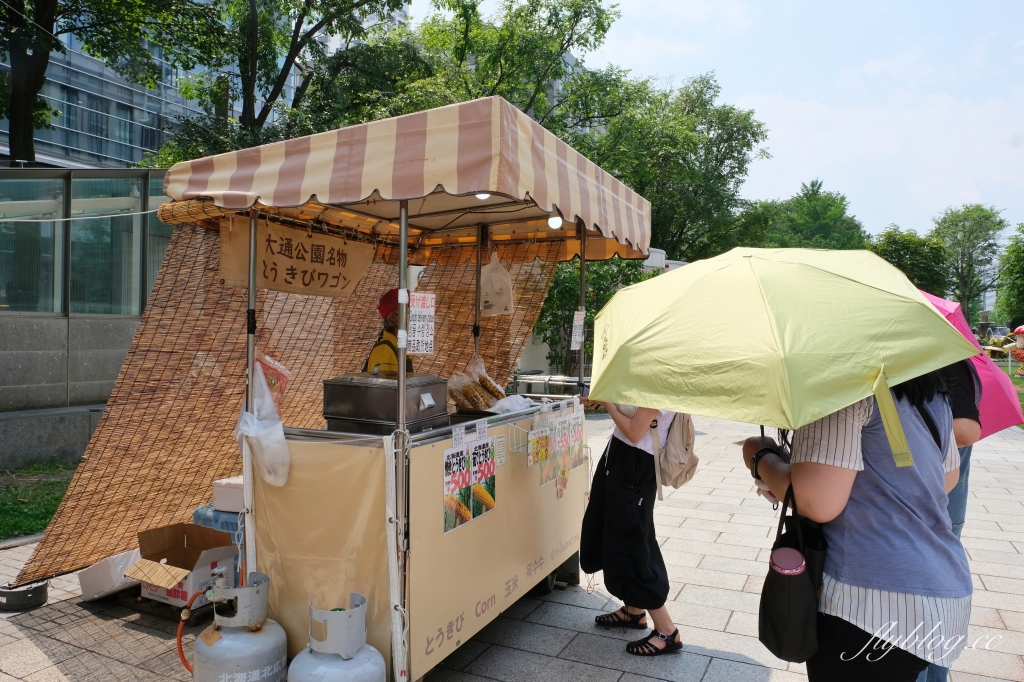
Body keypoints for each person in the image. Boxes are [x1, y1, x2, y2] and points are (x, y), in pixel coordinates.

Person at [743, 370, 971, 682]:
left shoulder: (840, 384)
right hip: (942, 590)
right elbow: (946, 480)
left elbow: (817, 503)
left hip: (871, 605)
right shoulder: (929, 389)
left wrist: (760, 455)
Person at [579, 401, 682, 656]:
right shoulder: (649, 371)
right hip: (624, 457)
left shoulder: (659, 376)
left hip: (635, 462)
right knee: (627, 533)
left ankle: (667, 630)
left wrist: (607, 404)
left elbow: (635, 431)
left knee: (632, 541)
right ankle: (634, 611)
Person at [918, 359, 982, 682]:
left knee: (923, 607)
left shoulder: (943, 357)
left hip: (933, 507)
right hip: (935, 504)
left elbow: (968, 429)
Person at [363, 288, 413, 374]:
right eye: (409, 312)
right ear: (393, 317)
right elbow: (384, 387)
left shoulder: (401, 349)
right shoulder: (383, 353)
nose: (413, 318)